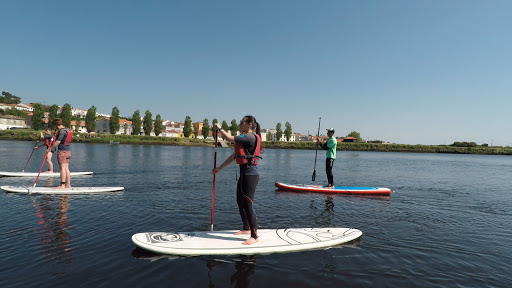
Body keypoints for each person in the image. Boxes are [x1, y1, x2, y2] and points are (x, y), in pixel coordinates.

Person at [212, 115, 262, 245]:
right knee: (240, 202)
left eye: (242, 122)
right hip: (244, 174)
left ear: (249, 124)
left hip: (250, 176)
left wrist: (220, 128)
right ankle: (246, 228)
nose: (240, 125)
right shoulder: (244, 139)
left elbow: (228, 138)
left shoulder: (250, 137)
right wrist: (219, 168)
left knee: (248, 204)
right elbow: (234, 156)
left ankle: (254, 235)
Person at [47, 118, 72, 189]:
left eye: (55, 126)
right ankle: (68, 185)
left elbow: (58, 142)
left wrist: (50, 149)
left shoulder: (62, 132)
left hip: (62, 152)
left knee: (62, 169)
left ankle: (62, 185)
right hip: (68, 152)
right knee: (67, 168)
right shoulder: (67, 130)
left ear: (56, 125)